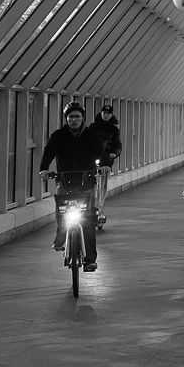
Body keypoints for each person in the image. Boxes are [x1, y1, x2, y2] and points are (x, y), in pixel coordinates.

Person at [39, 101, 105, 271]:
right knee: (61, 211)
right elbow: (48, 152)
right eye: (70, 117)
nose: (74, 120)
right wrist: (44, 169)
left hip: (86, 182)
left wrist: (105, 165)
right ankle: (61, 234)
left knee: (87, 220)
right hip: (64, 180)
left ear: (82, 118)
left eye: (77, 116)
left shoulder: (91, 135)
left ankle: (90, 259)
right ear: (66, 119)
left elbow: (101, 152)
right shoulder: (58, 136)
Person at [91, 103, 122, 223]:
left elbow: (117, 144)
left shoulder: (114, 129)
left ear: (111, 115)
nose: (106, 115)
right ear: (101, 113)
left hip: (106, 161)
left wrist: (114, 153)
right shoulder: (93, 127)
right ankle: (90, 207)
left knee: (102, 186)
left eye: (108, 113)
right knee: (91, 185)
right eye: (104, 113)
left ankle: (99, 208)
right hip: (92, 160)